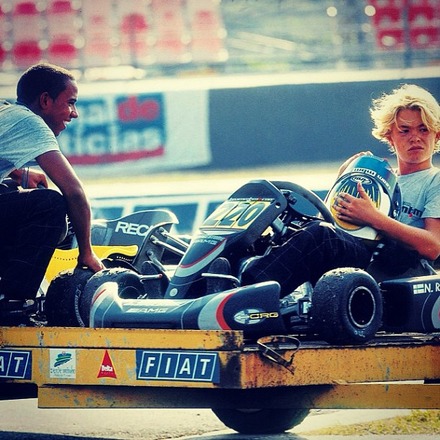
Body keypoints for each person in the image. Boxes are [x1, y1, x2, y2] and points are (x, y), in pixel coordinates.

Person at [240, 84, 440, 296]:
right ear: (390, 136)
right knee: (287, 229)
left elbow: (433, 246)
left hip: (397, 269)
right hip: (358, 260)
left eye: (423, 129)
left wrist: (373, 217)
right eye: (405, 131)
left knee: (321, 236)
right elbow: (328, 221)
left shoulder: (434, 180)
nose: (415, 138)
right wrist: (343, 177)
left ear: (436, 135)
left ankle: (245, 294)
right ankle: (229, 275)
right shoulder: (380, 179)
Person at [0, 63, 104, 313]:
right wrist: (86, 253)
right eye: (70, 103)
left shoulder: (5, 110)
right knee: (50, 204)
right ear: (45, 100)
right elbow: (74, 192)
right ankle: (14, 301)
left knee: (10, 190)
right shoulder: (31, 123)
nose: (74, 113)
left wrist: (17, 173)